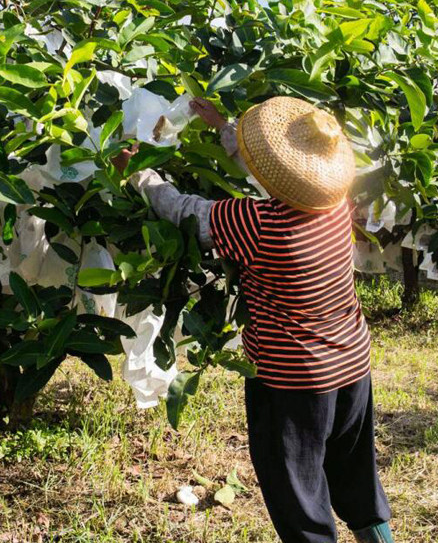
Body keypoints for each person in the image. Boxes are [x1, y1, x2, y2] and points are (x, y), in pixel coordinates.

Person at [114, 95, 393, 543]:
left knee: (297, 496)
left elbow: (187, 212)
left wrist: (139, 174)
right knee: (353, 472)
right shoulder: (334, 202)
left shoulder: (256, 224)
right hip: (352, 363)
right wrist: (224, 128)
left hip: (293, 379)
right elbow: (279, 181)